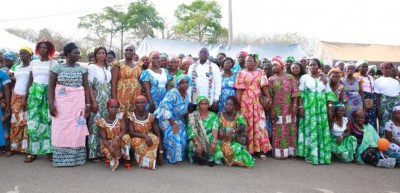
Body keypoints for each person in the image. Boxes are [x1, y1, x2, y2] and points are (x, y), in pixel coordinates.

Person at [48, 42, 90, 167]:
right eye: (75, 53)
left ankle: (77, 158)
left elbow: (86, 87)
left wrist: (87, 105)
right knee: (59, 129)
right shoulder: (57, 68)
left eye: (78, 53)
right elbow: (51, 86)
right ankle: (60, 158)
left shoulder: (82, 69)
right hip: (61, 104)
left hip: (78, 103)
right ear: (67, 54)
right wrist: (51, 104)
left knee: (77, 128)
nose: (78, 55)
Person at [297, 58, 337, 165]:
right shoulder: (304, 78)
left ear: (319, 67)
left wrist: (329, 108)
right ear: (308, 66)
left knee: (320, 129)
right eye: (311, 65)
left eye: (315, 65)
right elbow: (300, 94)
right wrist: (300, 107)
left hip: (321, 108)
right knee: (309, 129)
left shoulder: (324, 79)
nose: (312, 66)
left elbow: (329, 95)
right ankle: (309, 153)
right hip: (309, 107)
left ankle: (320, 153)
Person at [24, 39, 58, 162]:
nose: (43, 49)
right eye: (41, 48)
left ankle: (50, 151)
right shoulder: (33, 63)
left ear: (49, 50)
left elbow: (55, 82)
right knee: (33, 122)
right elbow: (30, 81)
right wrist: (25, 98)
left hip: (48, 94)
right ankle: (33, 152)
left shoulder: (54, 63)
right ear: (37, 50)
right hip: (34, 95)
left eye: (45, 47)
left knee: (48, 121)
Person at [234, 53, 272, 159]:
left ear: (255, 62)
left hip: (257, 101)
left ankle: (260, 149)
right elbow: (239, 90)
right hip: (245, 101)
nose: (247, 62)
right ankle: (248, 148)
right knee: (247, 123)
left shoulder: (261, 72)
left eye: (250, 60)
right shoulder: (241, 73)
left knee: (259, 123)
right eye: (246, 61)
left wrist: (268, 99)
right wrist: (237, 104)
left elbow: (264, 87)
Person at [154, 75, 191, 164]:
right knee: (173, 134)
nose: (185, 85)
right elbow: (165, 108)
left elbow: (184, 110)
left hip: (178, 119)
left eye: (186, 83)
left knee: (183, 134)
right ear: (178, 84)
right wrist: (173, 124)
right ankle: (172, 158)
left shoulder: (186, 95)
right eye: (182, 83)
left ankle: (179, 156)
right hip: (166, 118)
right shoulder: (172, 93)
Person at [268, 56, 300, 159]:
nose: (273, 67)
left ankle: (291, 152)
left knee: (290, 129)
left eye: (275, 65)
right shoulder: (271, 79)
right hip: (277, 108)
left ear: (281, 66)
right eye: (272, 65)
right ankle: (279, 153)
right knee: (278, 130)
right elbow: (270, 96)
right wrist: (272, 109)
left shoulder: (290, 78)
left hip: (289, 107)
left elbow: (295, 93)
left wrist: (295, 106)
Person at [87, 47, 112, 161]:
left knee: (105, 125)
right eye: (99, 53)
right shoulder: (92, 67)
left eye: (103, 53)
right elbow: (89, 86)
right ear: (95, 55)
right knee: (95, 125)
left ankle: (103, 151)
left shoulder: (108, 67)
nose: (101, 55)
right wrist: (93, 102)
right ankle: (93, 153)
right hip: (97, 98)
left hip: (107, 99)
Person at [6, 47, 32, 157]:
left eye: (24, 53)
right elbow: (15, 80)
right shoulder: (17, 67)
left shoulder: (32, 67)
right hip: (15, 96)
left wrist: (26, 98)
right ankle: (14, 147)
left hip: (27, 96)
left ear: (30, 55)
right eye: (20, 53)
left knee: (26, 123)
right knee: (15, 122)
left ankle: (26, 149)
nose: (22, 55)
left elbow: (31, 83)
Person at [128, 96, 163, 169]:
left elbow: (158, 133)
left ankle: (149, 160)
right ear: (135, 104)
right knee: (137, 141)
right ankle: (140, 158)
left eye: (142, 102)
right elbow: (131, 132)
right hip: (137, 138)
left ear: (145, 104)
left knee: (155, 138)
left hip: (148, 139)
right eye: (138, 103)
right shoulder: (131, 116)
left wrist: (160, 152)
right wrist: (144, 136)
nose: (140, 104)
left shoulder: (151, 116)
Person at [218, 96, 254, 167]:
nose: (228, 106)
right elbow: (215, 125)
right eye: (226, 104)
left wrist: (233, 130)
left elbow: (243, 125)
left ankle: (235, 160)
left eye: (230, 105)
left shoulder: (238, 115)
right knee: (223, 150)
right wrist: (220, 130)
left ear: (234, 106)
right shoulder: (220, 115)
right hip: (222, 140)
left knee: (237, 148)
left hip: (233, 140)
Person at [97, 99, 131, 171]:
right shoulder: (101, 122)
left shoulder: (120, 117)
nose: (114, 109)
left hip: (119, 140)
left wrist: (116, 138)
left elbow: (124, 130)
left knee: (126, 137)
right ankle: (113, 157)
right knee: (114, 165)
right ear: (107, 108)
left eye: (116, 107)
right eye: (111, 107)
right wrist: (110, 148)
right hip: (108, 143)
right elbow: (104, 139)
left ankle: (126, 159)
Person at [187, 96, 223, 166]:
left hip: (209, 137)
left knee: (215, 143)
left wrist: (214, 142)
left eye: (206, 104)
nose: (204, 106)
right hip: (197, 139)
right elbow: (191, 132)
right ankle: (199, 157)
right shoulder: (193, 116)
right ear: (198, 105)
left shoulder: (213, 115)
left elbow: (215, 128)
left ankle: (210, 159)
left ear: (208, 105)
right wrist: (198, 144)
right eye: (202, 104)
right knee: (192, 144)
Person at [187, 48, 222, 113]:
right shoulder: (192, 67)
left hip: (210, 101)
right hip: (195, 99)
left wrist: (215, 100)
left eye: (205, 53)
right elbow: (189, 85)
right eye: (201, 52)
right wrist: (189, 100)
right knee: (196, 120)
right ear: (198, 54)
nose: (203, 54)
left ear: (208, 55)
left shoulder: (214, 67)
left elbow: (218, 84)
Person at [111, 44, 142, 114]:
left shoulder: (139, 65)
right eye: (126, 50)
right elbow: (114, 82)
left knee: (134, 114)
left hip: (136, 93)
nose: (128, 52)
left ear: (134, 52)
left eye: (131, 50)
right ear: (123, 52)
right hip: (122, 93)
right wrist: (114, 99)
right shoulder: (118, 64)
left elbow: (141, 80)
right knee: (121, 114)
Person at [374, 62, 400, 137]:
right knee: (383, 123)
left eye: (390, 69)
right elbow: (377, 96)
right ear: (382, 70)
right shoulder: (377, 81)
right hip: (384, 104)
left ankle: (395, 140)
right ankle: (383, 142)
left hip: (396, 105)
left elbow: (398, 95)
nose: (388, 70)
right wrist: (378, 109)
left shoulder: (396, 81)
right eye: (386, 69)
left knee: (395, 122)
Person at [354, 60, 377, 129]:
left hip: (371, 100)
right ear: (358, 67)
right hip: (361, 98)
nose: (365, 68)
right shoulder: (356, 77)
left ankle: (372, 135)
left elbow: (373, 88)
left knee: (372, 118)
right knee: (362, 117)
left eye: (366, 67)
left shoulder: (370, 77)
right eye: (363, 67)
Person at [0, 67, 11, 155]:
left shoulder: (3, 74)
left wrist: (7, 104)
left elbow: (7, 89)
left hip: (1, 102)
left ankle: (3, 146)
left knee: (2, 124)